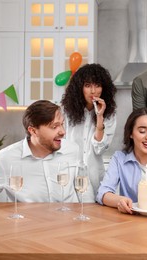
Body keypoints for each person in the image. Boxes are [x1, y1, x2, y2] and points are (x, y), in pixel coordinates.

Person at [0, 100, 94, 203]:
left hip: (68, 223)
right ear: (33, 131)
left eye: (62, 124)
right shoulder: (5, 159)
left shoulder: (72, 149)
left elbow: (84, 187)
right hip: (29, 227)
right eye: (54, 127)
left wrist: (89, 214)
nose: (62, 131)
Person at [61, 63, 117, 199]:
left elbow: (99, 149)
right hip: (69, 173)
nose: (93, 91)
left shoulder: (109, 114)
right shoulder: (65, 111)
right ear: (80, 88)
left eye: (97, 85)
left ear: (104, 88)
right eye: (87, 85)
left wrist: (99, 117)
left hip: (94, 176)